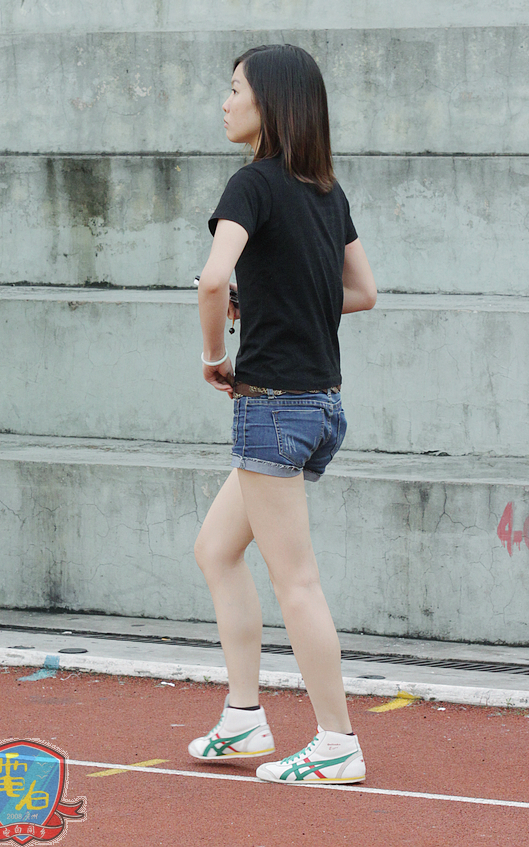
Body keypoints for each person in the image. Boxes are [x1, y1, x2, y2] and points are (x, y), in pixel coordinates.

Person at [188, 44, 377, 785]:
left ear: (268, 101)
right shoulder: (327, 191)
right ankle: (244, 717)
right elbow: (362, 292)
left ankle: (337, 741)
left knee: (296, 582)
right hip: (321, 405)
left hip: (272, 406)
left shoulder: (251, 184)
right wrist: (271, 299)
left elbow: (211, 280)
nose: (225, 102)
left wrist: (215, 356)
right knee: (216, 549)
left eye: (234, 89)